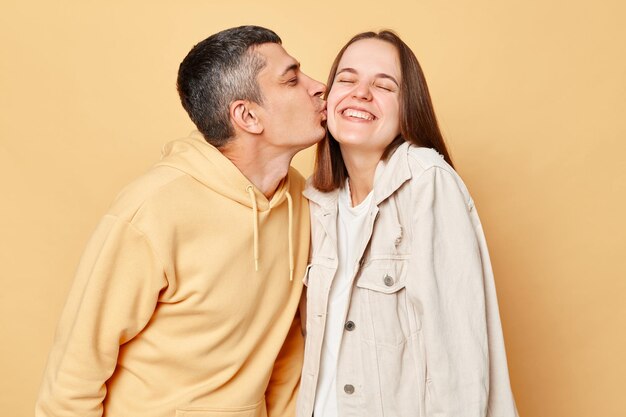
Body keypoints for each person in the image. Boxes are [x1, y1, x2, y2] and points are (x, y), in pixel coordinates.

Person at [36, 25, 326, 417]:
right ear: (247, 116)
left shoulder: (297, 198)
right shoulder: (152, 209)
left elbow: (285, 348)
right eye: (292, 80)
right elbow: (73, 374)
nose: (319, 86)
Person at [296, 31, 519, 417]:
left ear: (407, 110)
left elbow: (459, 356)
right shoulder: (316, 202)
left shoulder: (428, 182)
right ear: (328, 100)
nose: (361, 93)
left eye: (383, 86)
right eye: (347, 80)